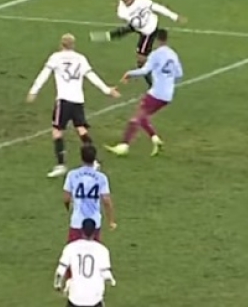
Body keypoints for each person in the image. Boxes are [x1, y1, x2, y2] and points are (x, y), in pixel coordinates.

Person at [27, 34, 120, 178]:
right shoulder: (80, 58)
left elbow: (43, 75)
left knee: (57, 131)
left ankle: (61, 165)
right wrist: (107, 90)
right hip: (78, 100)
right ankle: (94, 161)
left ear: (61, 44)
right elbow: (92, 76)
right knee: (81, 129)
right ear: (73, 45)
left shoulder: (55, 57)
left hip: (63, 100)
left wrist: (34, 91)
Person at [106, 29, 183, 157]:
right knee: (143, 116)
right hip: (168, 95)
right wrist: (167, 76)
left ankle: (124, 146)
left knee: (135, 119)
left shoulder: (155, 54)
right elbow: (179, 73)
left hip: (156, 93)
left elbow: (144, 71)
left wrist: (129, 74)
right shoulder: (173, 54)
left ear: (156, 40)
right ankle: (155, 139)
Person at [90, 0, 185, 87]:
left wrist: (174, 16)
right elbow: (134, 23)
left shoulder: (142, 0)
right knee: (129, 28)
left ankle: (154, 84)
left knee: (141, 60)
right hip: (139, 26)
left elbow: (157, 8)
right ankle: (111, 35)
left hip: (149, 31)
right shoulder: (122, 10)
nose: (126, 0)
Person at [54, 218, 116, 307]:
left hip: (75, 298)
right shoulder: (102, 250)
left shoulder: (71, 247)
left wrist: (58, 285)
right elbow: (106, 274)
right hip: (94, 299)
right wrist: (111, 281)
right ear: (95, 232)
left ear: (81, 230)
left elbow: (60, 271)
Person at [63, 145, 116, 244]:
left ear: (81, 157)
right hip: (94, 223)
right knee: (93, 250)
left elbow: (66, 198)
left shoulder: (72, 175)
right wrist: (111, 221)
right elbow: (106, 200)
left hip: (77, 222)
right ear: (94, 158)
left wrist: (68, 207)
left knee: (73, 249)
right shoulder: (101, 177)